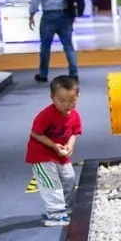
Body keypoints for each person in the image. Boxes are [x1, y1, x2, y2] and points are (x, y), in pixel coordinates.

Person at [26, 75, 82, 227]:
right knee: (50, 182)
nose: (67, 105)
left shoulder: (74, 115)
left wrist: (70, 146)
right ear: (52, 98)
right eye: (62, 101)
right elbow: (35, 133)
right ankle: (55, 213)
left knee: (69, 178)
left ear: (77, 97)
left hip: (61, 155)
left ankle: (66, 207)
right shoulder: (46, 115)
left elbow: (74, 132)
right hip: (41, 154)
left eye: (71, 101)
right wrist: (54, 145)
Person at [29, 0, 78, 83]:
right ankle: (74, 73)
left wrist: (31, 14)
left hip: (49, 16)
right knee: (68, 45)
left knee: (45, 47)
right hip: (64, 14)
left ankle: (43, 74)